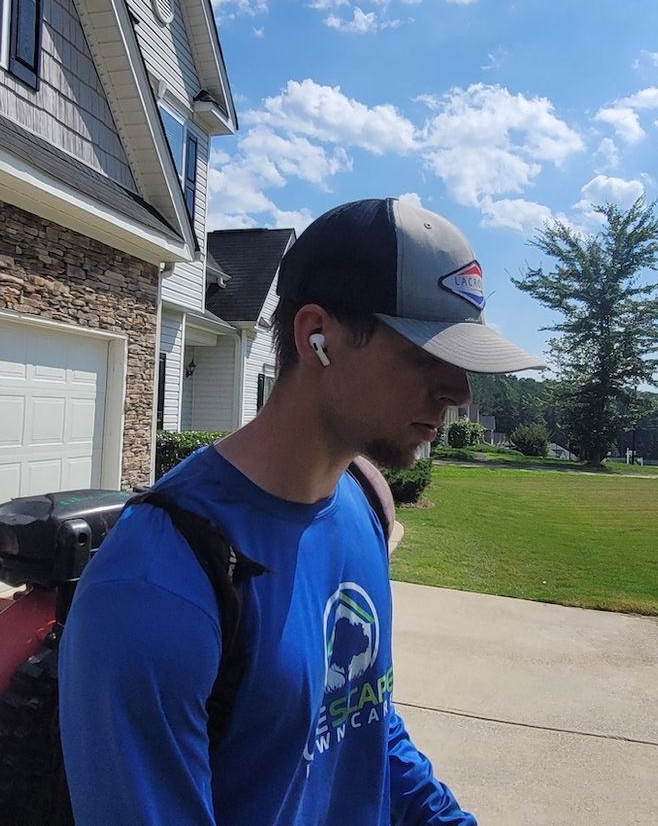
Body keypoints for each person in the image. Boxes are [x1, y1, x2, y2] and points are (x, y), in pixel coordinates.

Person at [59, 197, 544, 825]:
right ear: (317, 336)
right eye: (427, 355)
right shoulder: (156, 583)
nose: (459, 392)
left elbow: (362, 717)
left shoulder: (361, 499)